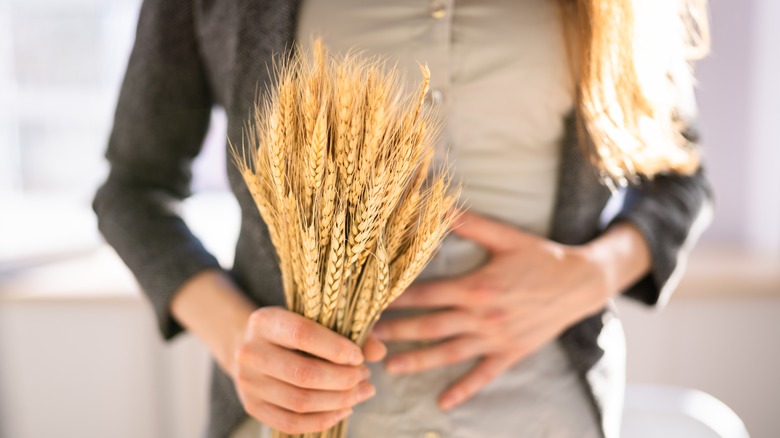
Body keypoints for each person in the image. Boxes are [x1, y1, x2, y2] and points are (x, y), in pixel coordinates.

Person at [93, 0, 712, 437]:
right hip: (292, 426)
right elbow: (133, 189)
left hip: (541, 416)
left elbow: (679, 176)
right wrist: (237, 340)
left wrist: (593, 272)